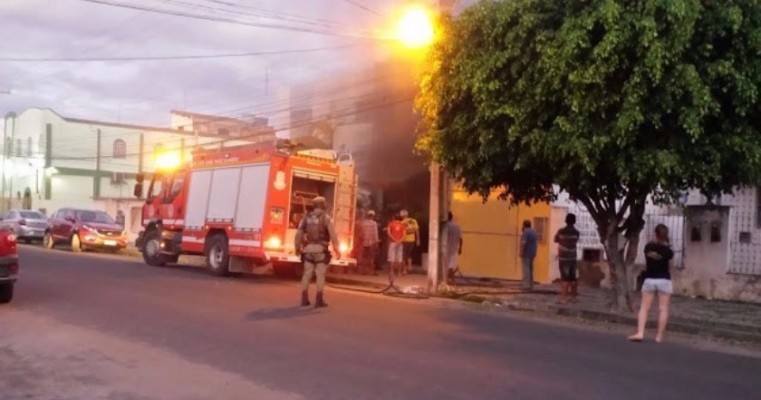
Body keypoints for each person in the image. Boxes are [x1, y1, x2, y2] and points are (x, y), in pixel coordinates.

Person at [629, 224, 674, 343]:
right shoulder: (668, 251)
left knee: (644, 308)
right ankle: (659, 337)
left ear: (655, 234)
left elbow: (650, 253)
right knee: (663, 309)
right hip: (664, 280)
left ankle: (640, 333)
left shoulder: (648, 247)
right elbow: (670, 264)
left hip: (649, 279)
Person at [294, 197, 340, 308]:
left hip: (308, 250)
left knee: (307, 274)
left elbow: (298, 234)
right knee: (320, 275)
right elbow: (333, 235)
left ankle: (304, 299)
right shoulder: (326, 218)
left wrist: (297, 248)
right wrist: (336, 248)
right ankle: (319, 300)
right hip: (321, 250)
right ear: (323, 205)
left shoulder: (306, 218)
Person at [554, 213, 580, 304]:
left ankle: (563, 299)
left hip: (563, 259)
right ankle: (574, 298)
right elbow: (576, 241)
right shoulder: (576, 232)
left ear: (566, 220)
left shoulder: (561, 231)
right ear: (574, 221)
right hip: (573, 258)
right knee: (574, 278)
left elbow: (555, 239)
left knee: (565, 278)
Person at [358, 210, 380, 275]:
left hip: (364, 243)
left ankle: (364, 271)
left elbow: (361, 234)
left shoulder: (363, 223)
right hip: (371, 243)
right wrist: (376, 243)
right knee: (371, 257)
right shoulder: (374, 223)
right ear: (373, 216)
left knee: (364, 257)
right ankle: (371, 271)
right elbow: (375, 234)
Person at [400, 209, 420, 275]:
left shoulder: (402, 222)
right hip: (412, 240)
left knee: (403, 256)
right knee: (409, 254)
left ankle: (405, 270)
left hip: (404, 240)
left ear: (402, 216)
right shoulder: (413, 221)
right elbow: (417, 230)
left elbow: (400, 233)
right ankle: (410, 267)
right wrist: (418, 239)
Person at [520, 219, 538, 291]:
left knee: (526, 269)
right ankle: (531, 285)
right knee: (531, 269)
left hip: (526, 253)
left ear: (524, 225)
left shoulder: (526, 232)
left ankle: (526, 285)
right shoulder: (534, 232)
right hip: (532, 252)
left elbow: (524, 242)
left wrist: (521, 251)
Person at [446, 212, 463, 285]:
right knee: (451, 266)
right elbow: (461, 238)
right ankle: (450, 280)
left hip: (446, 249)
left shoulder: (446, 226)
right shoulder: (457, 226)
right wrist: (460, 248)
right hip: (454, 248)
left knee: (449, 267)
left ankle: (452, 281)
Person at [386, 214, 406, 278]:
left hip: (393, 243)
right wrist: (400, 241)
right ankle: (399, 272)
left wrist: (395, 240)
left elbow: (389, 233)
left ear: (394, 218)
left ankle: (392, 272)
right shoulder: (403, 225)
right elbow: (404, 235)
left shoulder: (391, 224)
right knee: (399, 258)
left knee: (392, 257)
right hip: (400, 243)